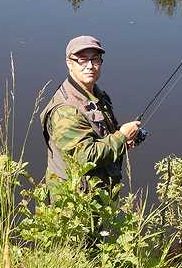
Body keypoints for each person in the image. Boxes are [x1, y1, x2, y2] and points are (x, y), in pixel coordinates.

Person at [40, 35, 141, 197]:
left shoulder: (96, 94)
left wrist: (125, 138)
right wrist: (121, 137)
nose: (90, 66)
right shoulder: (65, 110)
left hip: (97, 194)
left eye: (95, 59)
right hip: (74, 203)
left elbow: (102, 135)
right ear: (69, 63)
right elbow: (85, 156)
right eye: (82, 60)